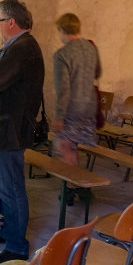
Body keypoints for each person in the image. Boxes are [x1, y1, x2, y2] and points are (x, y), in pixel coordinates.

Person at [0, 0, 44, 265]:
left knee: (12, 188)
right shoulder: (16, 47)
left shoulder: (23, 47)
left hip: (10, 129)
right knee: (5, 187)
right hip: (2, 128)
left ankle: (17, 246)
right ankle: (8, 232)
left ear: (10, 22)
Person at [52, 13, 100, 188]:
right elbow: (98, 73)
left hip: (71, 109)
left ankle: (71, 189)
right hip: (89, 107)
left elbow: (63, 90)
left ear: (63, 30)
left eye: (59, 31)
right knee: (72, 148)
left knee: (63, 148)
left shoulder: (62, 54)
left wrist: (58, 117)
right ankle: (78, 185)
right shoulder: (90, 48)